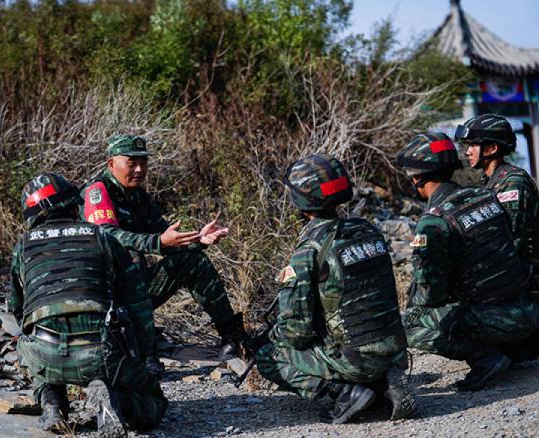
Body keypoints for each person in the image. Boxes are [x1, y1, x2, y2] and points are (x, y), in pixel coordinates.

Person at [255, 154, 415, 424]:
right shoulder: (368, 231)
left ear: (301, 200)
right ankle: (382, 383)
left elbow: (296, 333)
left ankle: (346, 392)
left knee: (268, 356)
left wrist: (272, 334)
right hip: (395, 351)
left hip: (356, 361)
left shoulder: (309, 250)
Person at [9, 173, 168, 433]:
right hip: (101, 351)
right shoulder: (102, 237)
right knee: (155, 403)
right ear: (75, 204)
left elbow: (18, 311)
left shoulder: (22, 247)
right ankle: (115, 400)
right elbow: (138, 303)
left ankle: (52, 402)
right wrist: (141, 356)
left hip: (45, 351)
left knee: (32, 343)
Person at [80, 134, 249, 358]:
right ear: (111, 164)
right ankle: (141, 347)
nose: (139, 170)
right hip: (101, 296)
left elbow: (166, 238)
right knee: (131, 256)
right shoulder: (97, 193)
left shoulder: (139, 196)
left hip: (133, 293)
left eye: (143, 163)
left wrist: (198, 240)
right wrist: (157, 243)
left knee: (193, 261)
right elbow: (107, 236)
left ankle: (235, 338)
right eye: (132, 163)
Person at [398, 132, 539, 391]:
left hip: (497, 322)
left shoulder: (434, 221)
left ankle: (485, 358)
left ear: (417, 178)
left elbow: (432, 295)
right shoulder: (485, 196)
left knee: (407, 324)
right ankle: (515, 348)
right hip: (528, 311)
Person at [456, 113, 539, 285]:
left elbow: (512, 239)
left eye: (473, 145)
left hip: (525, 281)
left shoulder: (513, 183)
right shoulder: (491, 182)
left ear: (492, 148)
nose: (467, 151)